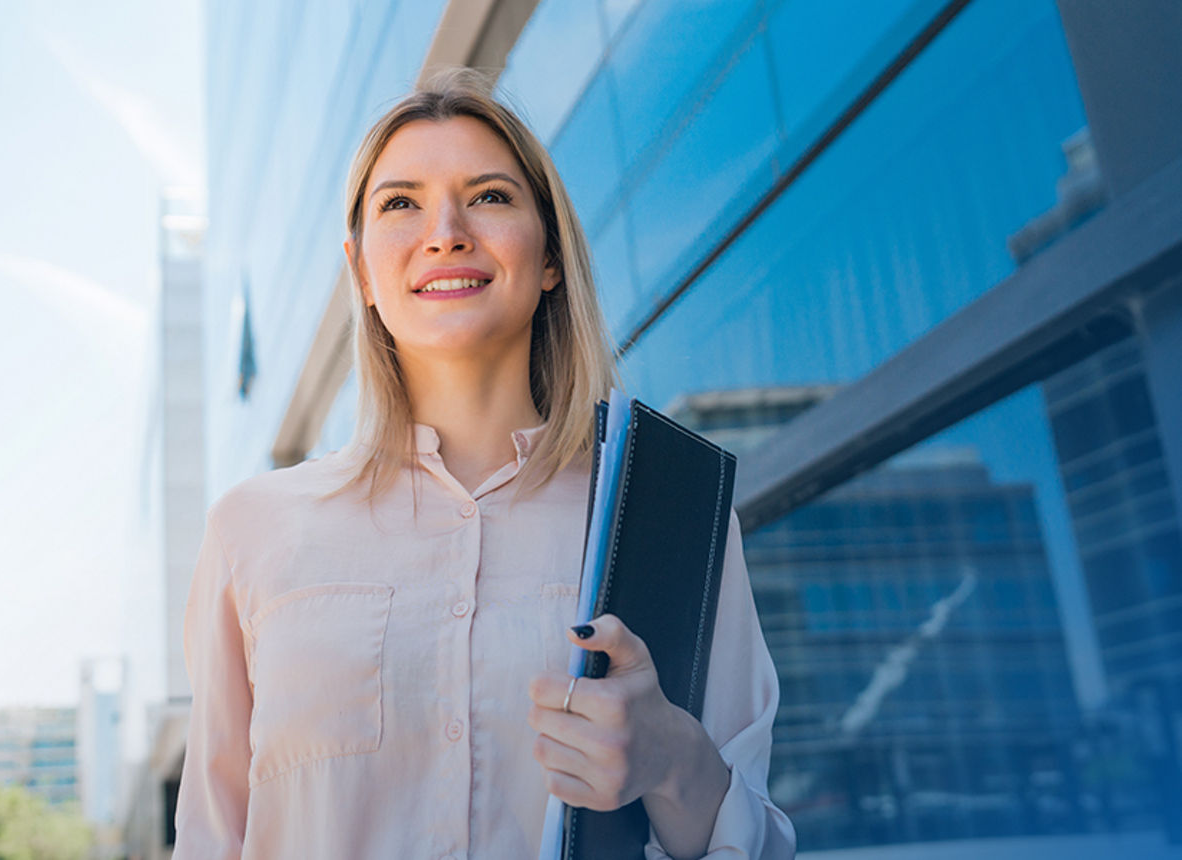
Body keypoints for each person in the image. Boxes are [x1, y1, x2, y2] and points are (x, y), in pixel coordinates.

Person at [174, 68, 795, 859]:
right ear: (363, 270)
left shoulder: (670, 519)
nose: (446, 231)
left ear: (549, 258)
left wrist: (671, 759)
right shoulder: (250, 532)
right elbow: (209, 840)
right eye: (400, 203)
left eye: (491, 196)